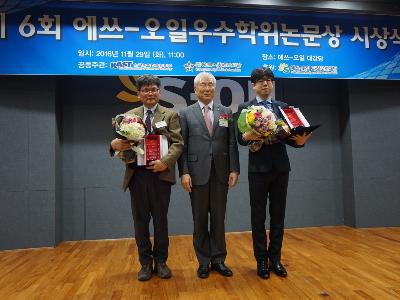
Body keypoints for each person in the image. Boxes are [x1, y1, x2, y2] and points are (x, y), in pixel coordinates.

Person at [236, 67, 312, 279]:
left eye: (269, 80)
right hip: (257, 169)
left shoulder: (283, 108)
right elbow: (239, 139)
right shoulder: (245, 109)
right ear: (253, 85)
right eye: (260, 81)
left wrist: (300, 142)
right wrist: (248, 136)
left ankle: (275, 259)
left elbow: (290, 139)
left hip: (280, 168)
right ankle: (261, 261)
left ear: (273, 84)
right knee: (258, 217)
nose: (265, 84)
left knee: (278, 215)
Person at [110, 74, 183, 281]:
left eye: (153, 89)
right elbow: (121, 143)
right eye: (145, 90)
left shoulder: (170, 115)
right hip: (137, 176)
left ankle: (161, 262)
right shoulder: (128, 115)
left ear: (159, 92)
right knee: (140, 222)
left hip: (160, 175)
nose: (150, 93)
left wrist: (165, 162)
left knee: (161, 221)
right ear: (138, 94)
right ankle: (144, 264)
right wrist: (116, 149)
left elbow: (178, 143)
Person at [178, 72, 240, 279]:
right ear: (195, 90)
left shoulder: (226, 112)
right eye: (202, 85)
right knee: (199, 218)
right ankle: (203, 261)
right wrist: (184, 172)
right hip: (196, 174)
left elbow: (231, 142)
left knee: (219, 218)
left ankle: (219, 259)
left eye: (210, 85)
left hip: (221, 172)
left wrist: (234, 169)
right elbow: (182, 146)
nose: (206, 88)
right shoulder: (185, 113)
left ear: (215, 89)